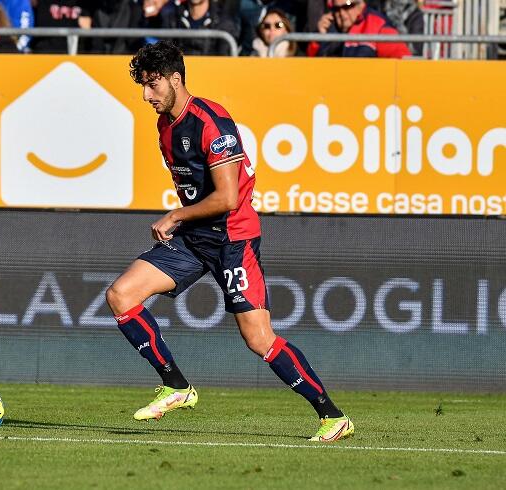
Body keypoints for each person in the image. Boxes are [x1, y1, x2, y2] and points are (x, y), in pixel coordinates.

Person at [107, 40, 354, 442]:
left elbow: (227, 197)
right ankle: (176, 386)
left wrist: (175, 215)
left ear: (175, 78)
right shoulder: (164, 125)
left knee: (258, 338)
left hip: (232, 239)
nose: (146, 95)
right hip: (194, 239)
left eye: (152, 85)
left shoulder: (211, 122)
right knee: (121, 295)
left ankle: (333, 416)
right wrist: (184, 220)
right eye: (143, 87)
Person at [307, 0, 411, 58]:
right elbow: (311, 68)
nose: (342, 14)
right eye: (336, 9)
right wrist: (319, 39)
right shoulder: (328, 28)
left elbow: (403, 65)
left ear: (361, 4)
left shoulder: (378, 27)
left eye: (348, 6)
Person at [162, 0, 240, 56]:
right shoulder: (172, 18)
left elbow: (224, 61)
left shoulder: (224, 21)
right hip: (180, 74)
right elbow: (167, 54)